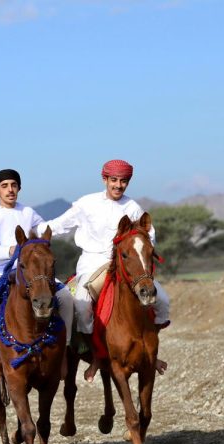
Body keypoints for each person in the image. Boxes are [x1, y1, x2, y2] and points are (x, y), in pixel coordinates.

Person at [37, 159, 170, 382]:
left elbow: (149, 237)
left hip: (125, 265)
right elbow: (59, 224)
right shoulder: (86, 203)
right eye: (114, 180)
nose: (118, 185)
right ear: (105, 179)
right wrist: (35, 232)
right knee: (82, 304)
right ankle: (97, 356)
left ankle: (149, 351)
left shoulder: (133, 208)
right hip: (92, 263)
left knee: (163, 301)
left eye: (123, 181)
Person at [0, 169, 74, 384]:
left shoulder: (28, 212)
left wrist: (73, 217)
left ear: (19, 187)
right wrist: (11, 250)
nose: (10, 190)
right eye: (4, 186)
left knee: (66, 296)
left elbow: (44, 229)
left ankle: (64, 352)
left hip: (31, 272)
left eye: (14, 185)